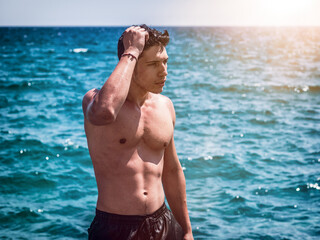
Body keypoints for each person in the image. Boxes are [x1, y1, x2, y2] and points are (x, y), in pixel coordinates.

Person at [82, 24, 193, 240]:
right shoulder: (96, 101)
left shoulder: (165, 106)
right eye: (153, 64)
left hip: (163, 222)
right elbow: (105, 113)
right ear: (129, 64)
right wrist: (131, 50)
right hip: (116, 228)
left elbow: (171, 170)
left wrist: (186, 230)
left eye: (165, 62)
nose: (164, 71)